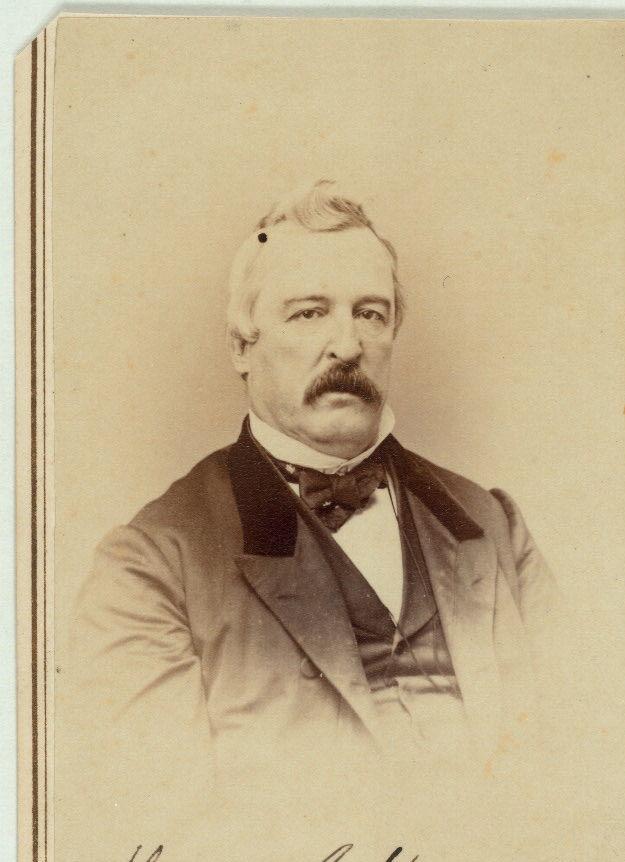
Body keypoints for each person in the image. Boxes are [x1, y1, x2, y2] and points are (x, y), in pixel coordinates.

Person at [68, 181, 561, 806]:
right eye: (309, 313)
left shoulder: (490, 522)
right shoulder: (153, 565)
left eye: (370, 313)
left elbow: (586, 756)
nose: (348, 345)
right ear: (241, 346)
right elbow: (157, 822)